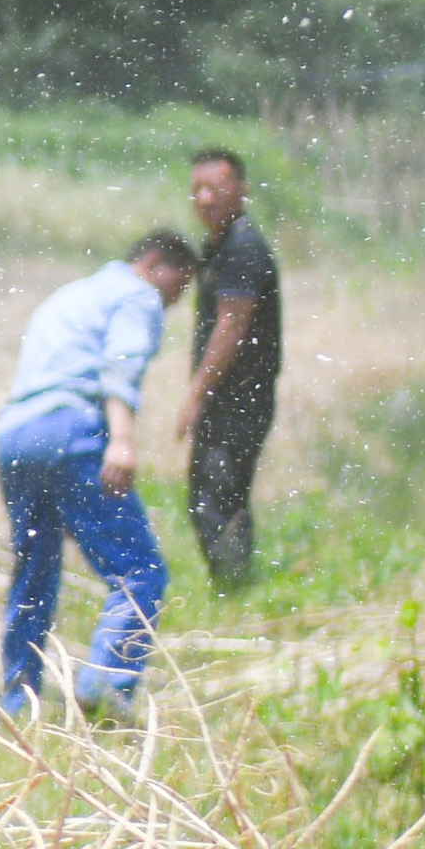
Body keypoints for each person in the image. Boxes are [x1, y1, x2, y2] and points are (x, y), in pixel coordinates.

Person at [0, 229, 198, 716]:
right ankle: (104, 692)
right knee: (139, 571)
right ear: (152, 264)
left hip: (16, 434)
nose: (175, 299)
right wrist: (123, 441)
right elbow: (119, 368)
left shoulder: (72, 294)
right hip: (72, 430)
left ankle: (16, 701)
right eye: (179, 284)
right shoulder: (137, 296)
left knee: (34, 574)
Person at [176, 144, 284, 595]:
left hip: (238, 397)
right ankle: (234, 586)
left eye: (215, 188)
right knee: (218, 494)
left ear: (240, 190)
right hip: (234, 395)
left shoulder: (242, 247)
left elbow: (232, 324)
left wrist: (197, 393)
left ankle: (234, 591)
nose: (204, 198)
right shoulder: (223, 244)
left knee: (215, 497)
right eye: (197, 189)